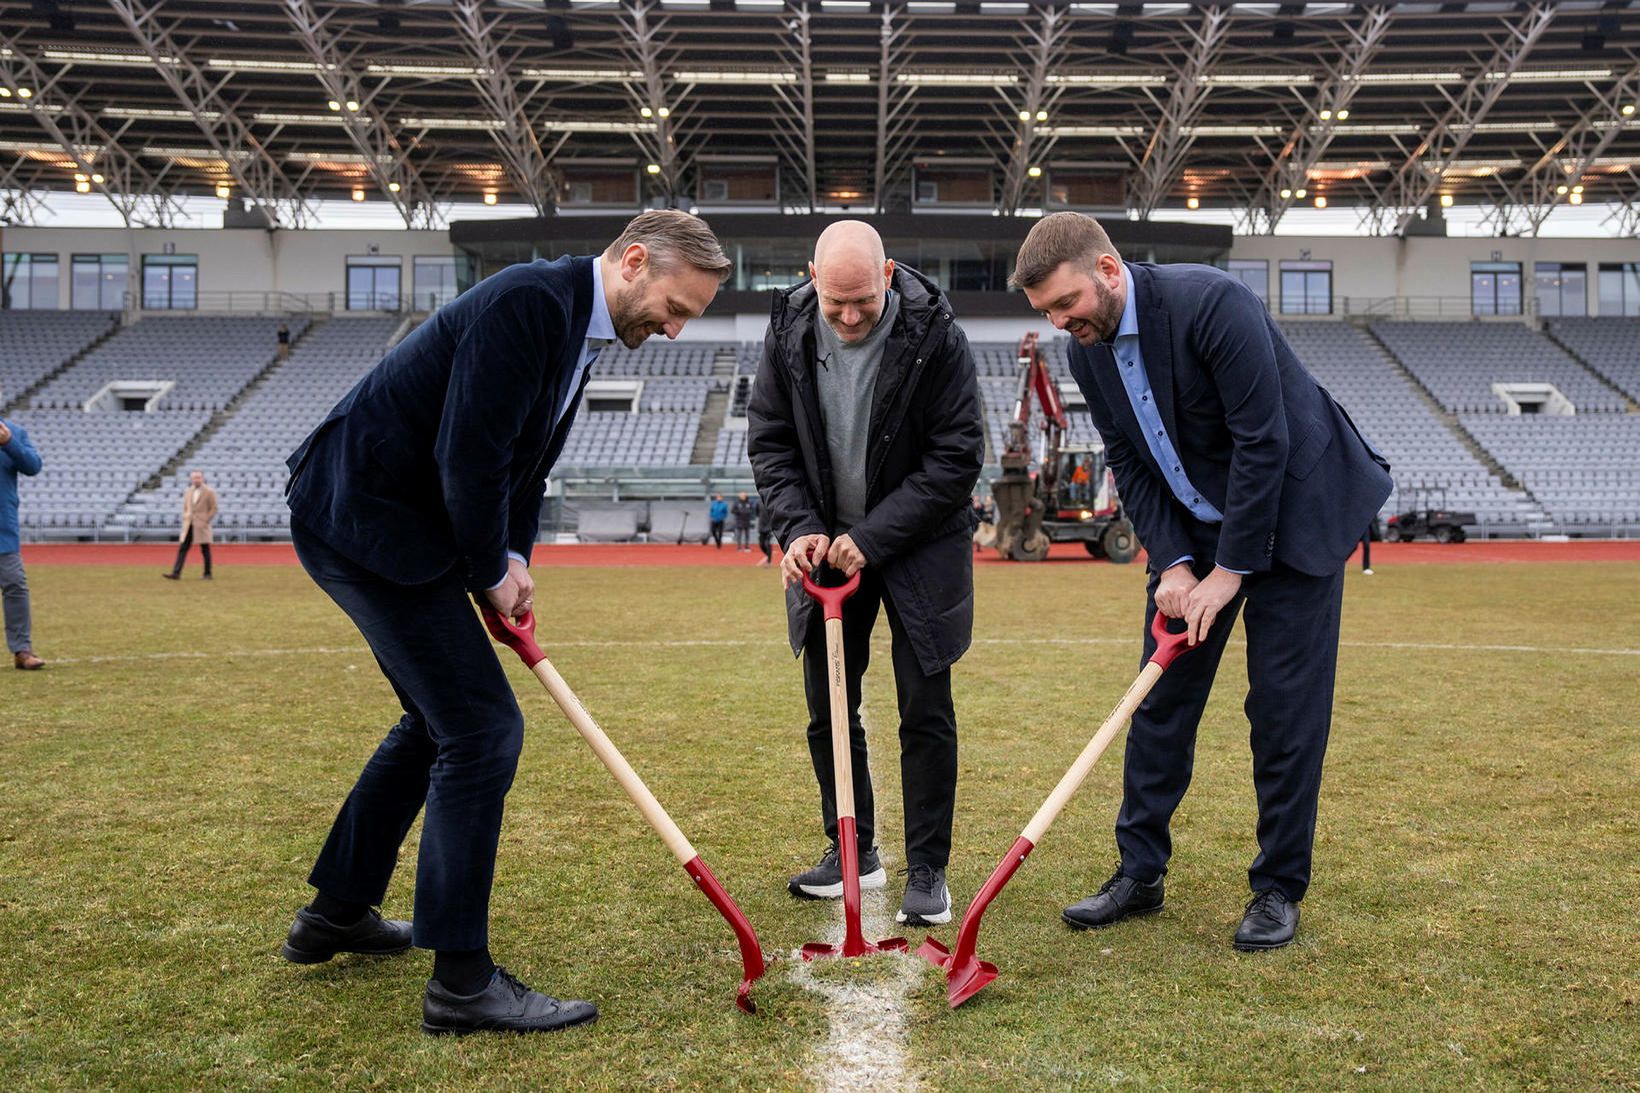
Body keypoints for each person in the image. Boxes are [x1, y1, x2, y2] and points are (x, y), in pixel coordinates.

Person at [280, 210, 730, 1034]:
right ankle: (461, 981)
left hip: (393, 523)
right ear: (635, 261)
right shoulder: (530, 303)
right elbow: (469, 455)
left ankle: (337, 911)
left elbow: (522, 464)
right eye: (676, 307)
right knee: (483, 731)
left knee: (437, 722)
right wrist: (486, 571)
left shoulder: (573, 328)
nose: (673, 331)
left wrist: (515, 556)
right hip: (365, 518)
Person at [1010, 212, 1390, 952]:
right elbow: (1131, 464)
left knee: (1282, 710)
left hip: (1296, 511)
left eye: (1066, 304)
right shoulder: (1087, 355)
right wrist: (1177, 565)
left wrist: (1229, 571)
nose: (1060, 323)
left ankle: (1278, 886)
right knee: (1159, 701)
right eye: (1047, 313)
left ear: (1109, 271)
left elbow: (1263, 439)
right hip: (1199, 527)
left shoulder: (1212, 303)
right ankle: (1139, 872)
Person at [748, 220, 983, 928]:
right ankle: (851, 849)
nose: (849, 318)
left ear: (886, 277)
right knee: (828, 706)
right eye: (835, 303)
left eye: (863, 303)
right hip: (823, 547)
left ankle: (928, 868)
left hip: (919, 544)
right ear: (812, 278)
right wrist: (799, 527)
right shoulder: (787, 327)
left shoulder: (936, 333)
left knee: (924, 707)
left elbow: (957, 455)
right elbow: (771, 440)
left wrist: (871, 538)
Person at [0, 415, 44, 670]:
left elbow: (33, 466)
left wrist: (9, 443)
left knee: (16, 587)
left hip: (3, 530)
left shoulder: (14, 431)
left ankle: (22, 650)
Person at [163, 470, 219, 580]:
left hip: (201, 524)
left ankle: (207, 573)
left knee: (205, 549)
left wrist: (206, 520)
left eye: (198, 477)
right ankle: (176, 573)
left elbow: (214, 508)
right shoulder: (188, 491)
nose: (196, 480)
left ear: (202, 478)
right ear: (191, 479)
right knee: (183, 548)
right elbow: (186, 506)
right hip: (189, 523)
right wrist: (186, 516)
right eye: (194, 478)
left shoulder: (209, 491)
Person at [756, 494, 774, 567]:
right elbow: (756, 512)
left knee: (767, 544)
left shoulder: (771, 502)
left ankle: (769, 561)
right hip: (761, 526)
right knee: (761, 544)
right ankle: (768, 554)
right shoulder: (759, 502)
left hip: (769, 527)